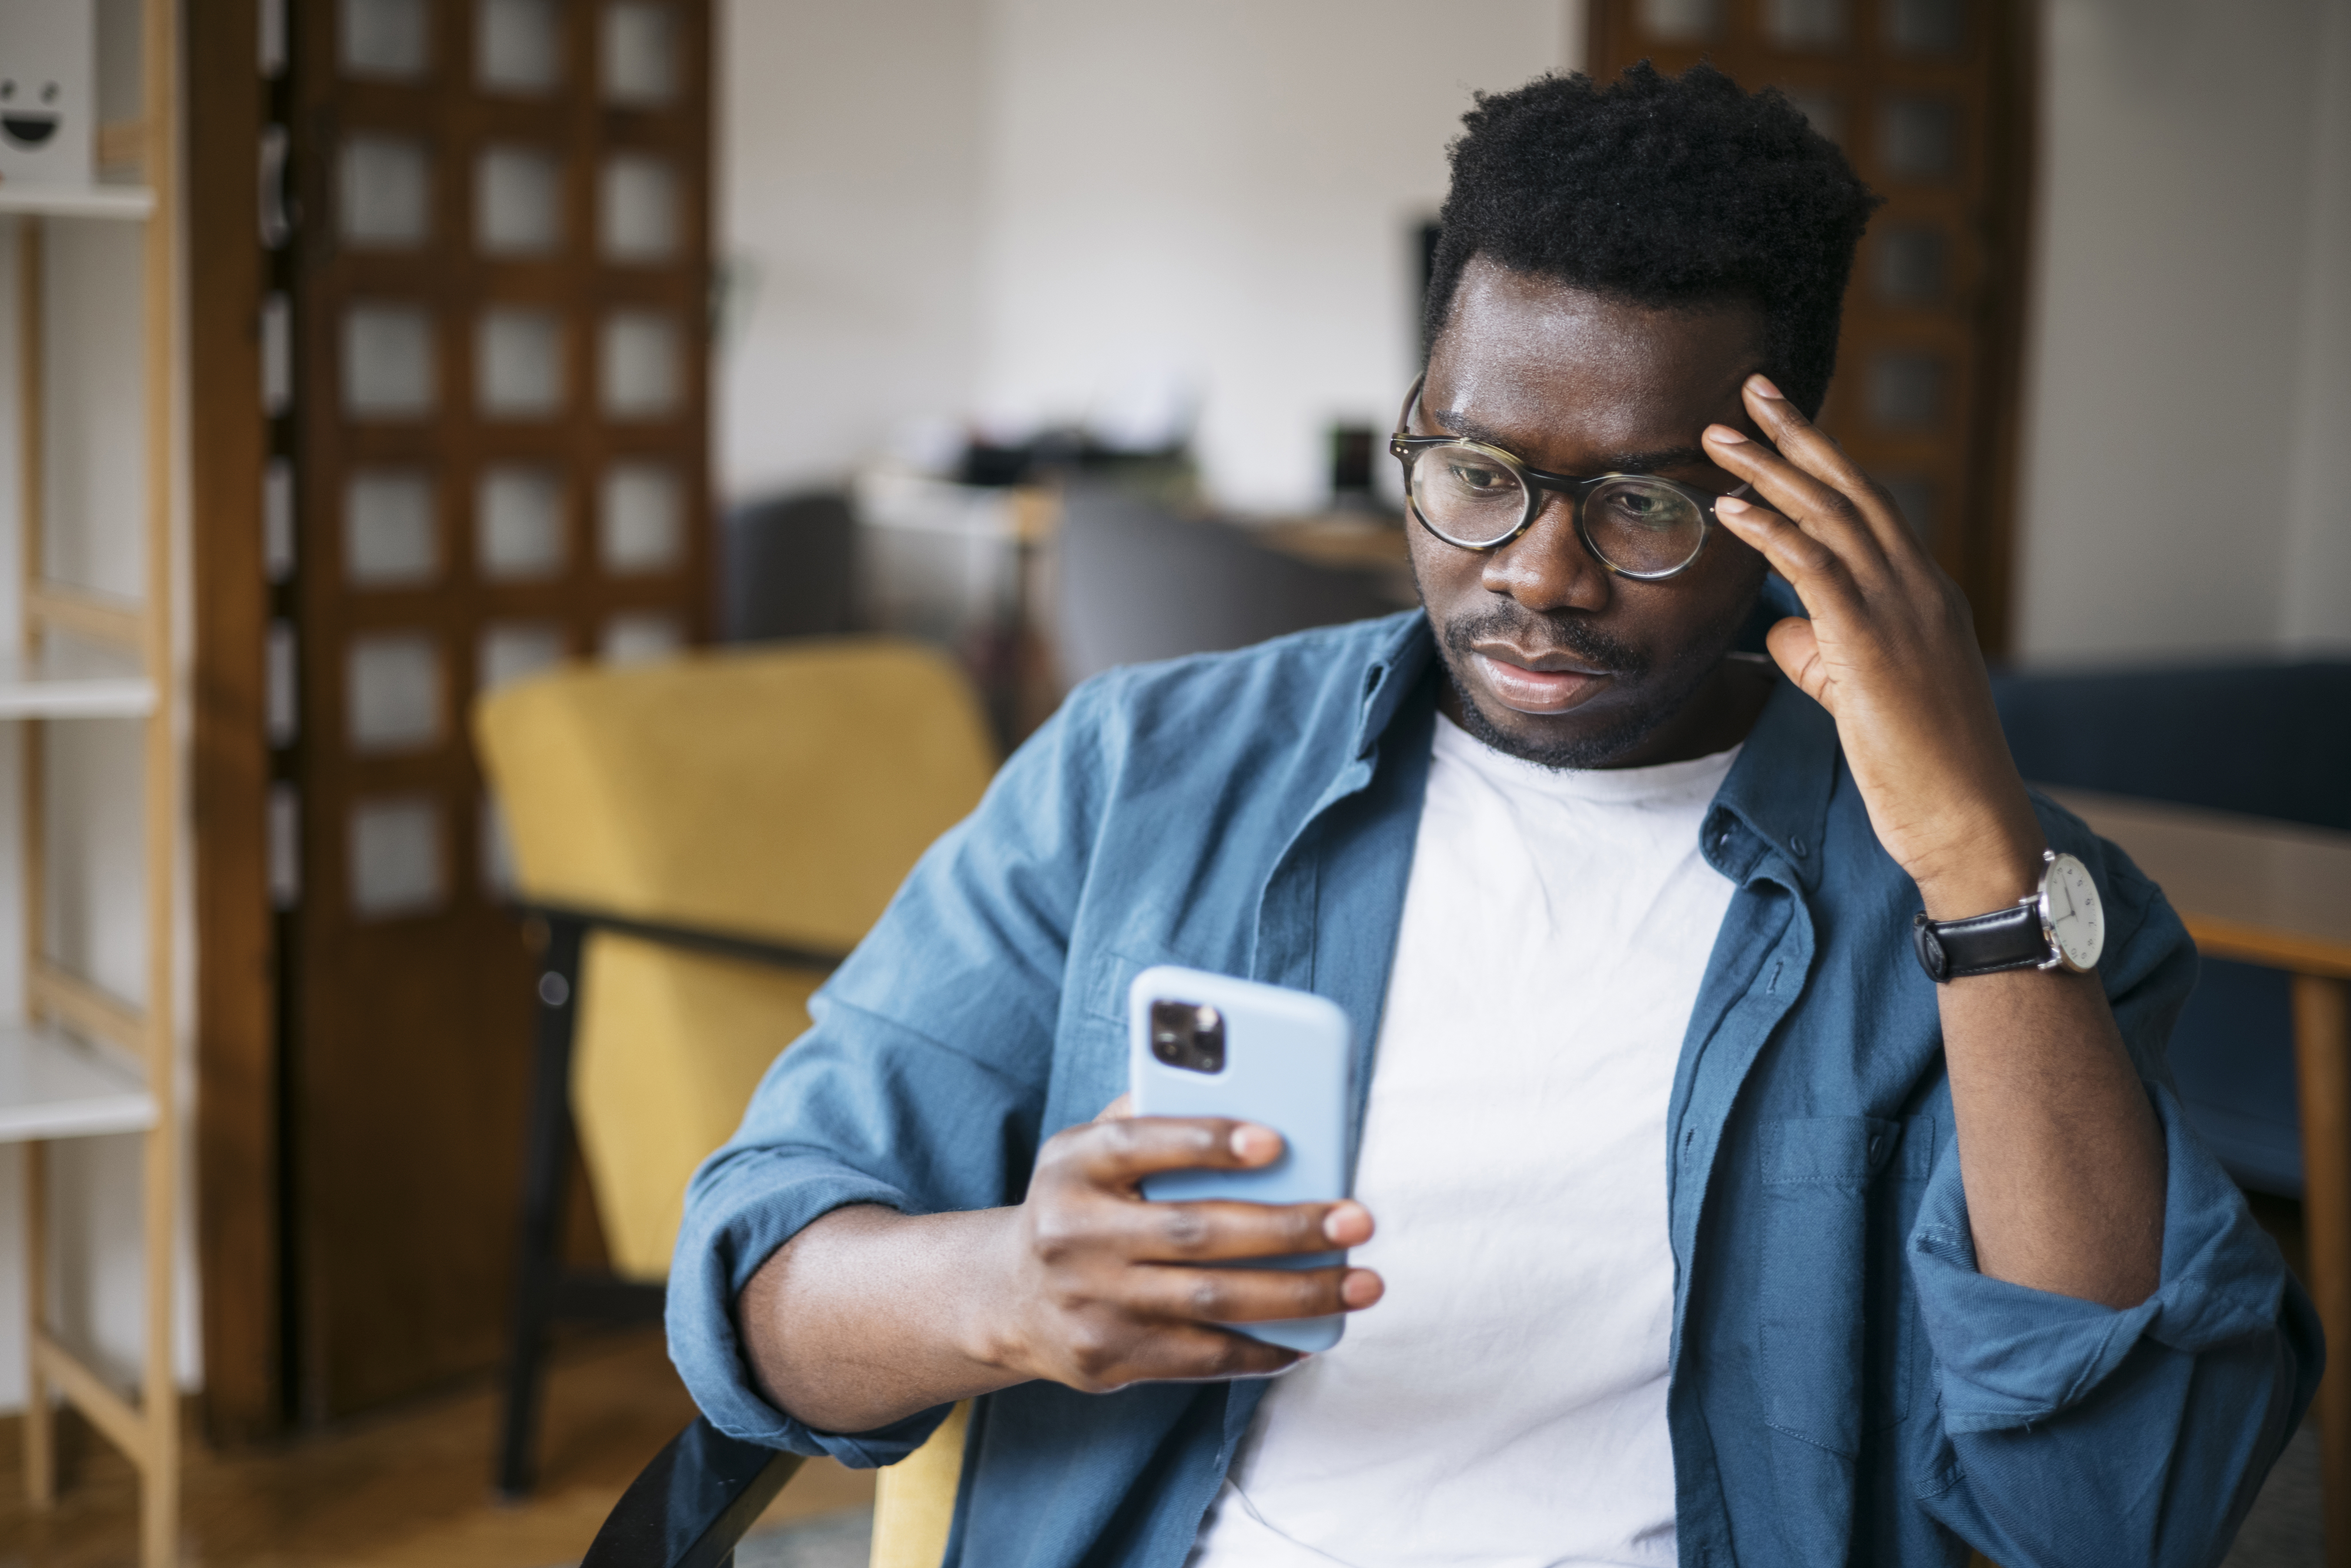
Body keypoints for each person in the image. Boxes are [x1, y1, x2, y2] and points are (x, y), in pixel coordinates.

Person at [669, 65, 2317, 1567]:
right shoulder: (1142, 774)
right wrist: (1008, 1289)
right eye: (1474, 470)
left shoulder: (2005, 905)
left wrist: (1976, 869)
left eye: (1645, 503)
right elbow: (756, 1287)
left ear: (1785, 507)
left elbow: (2119, 1513)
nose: (1539, 570)